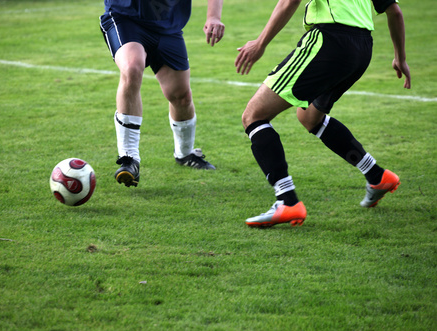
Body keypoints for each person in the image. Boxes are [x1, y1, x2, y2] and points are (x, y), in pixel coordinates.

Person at [234, 0, 411, 227]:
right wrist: (400, 58)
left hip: (328, 42)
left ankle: (287, 202)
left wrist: (260, 43)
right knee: (309, 117)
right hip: (362, 48)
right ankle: (377, 176)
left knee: (254, 116)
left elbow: (289, 1)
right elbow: (394, 12)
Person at [99, 0, 225, 187]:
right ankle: (129, 158)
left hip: (168, 25)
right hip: (126, 18)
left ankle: (184, 154)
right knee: (132, 67)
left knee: (181, 96)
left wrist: (213, 16)